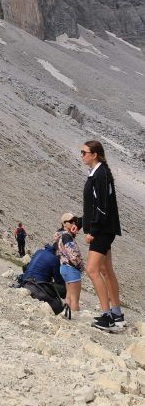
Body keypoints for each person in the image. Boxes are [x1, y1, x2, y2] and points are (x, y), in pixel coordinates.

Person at [81, 139, 124, 331]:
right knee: (106, 270)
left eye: (84, 152)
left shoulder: (99, 174)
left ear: (94, 154)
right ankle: (117, 314)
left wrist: (93, 230)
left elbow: (102, 207)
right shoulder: (99, 173)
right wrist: (80, 221)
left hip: (102, 230)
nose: (81, 155)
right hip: (106, 229)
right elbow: (94, 207)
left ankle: (107, 318)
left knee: (92, 270)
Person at [52, 213, 85, 316]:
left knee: (69, 296)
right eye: (71, 222)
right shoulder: (67, 236)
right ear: (64, 224)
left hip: (64, 267)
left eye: (74, 221)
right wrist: (81, 266)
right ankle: (75, 318)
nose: (74, 223)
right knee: (75, 298)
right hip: (72, 269)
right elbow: (74, 256)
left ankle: (67, 315)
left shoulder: (60, 235)